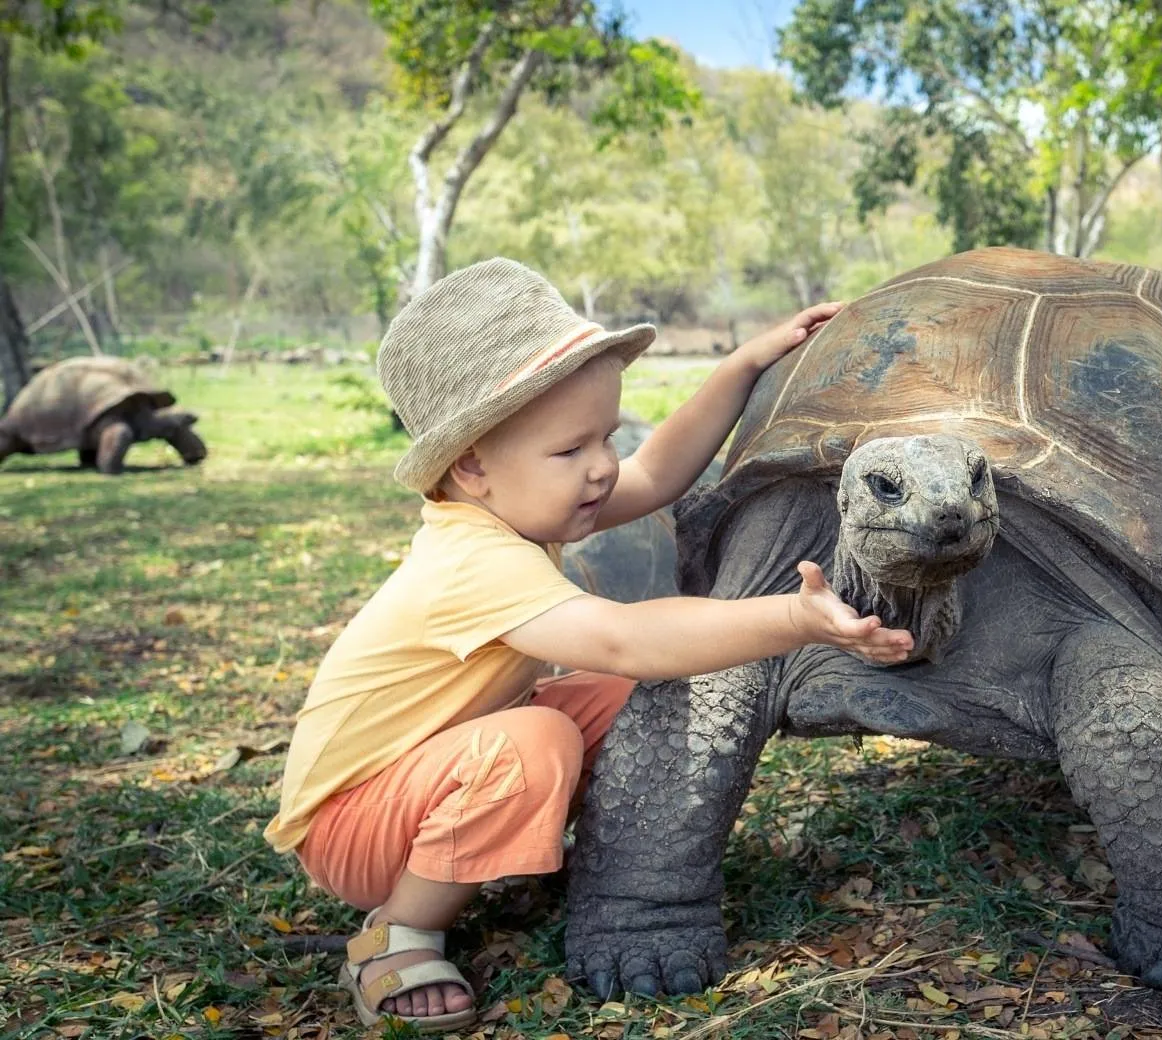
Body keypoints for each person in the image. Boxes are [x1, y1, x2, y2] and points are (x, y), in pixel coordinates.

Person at [262, 258, 913, 1032]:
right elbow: (623, 637)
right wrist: (795, 619)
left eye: (603, 435)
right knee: (535, 737)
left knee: (615, 703)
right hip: (351, 823)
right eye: (572, 451)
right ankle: (397, 930)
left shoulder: (515, 510)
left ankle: (568, 851)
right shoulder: (469, 560)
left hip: (422, 776)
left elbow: (654, 472)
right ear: (472, 465)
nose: (603, 465)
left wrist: (741, 366)